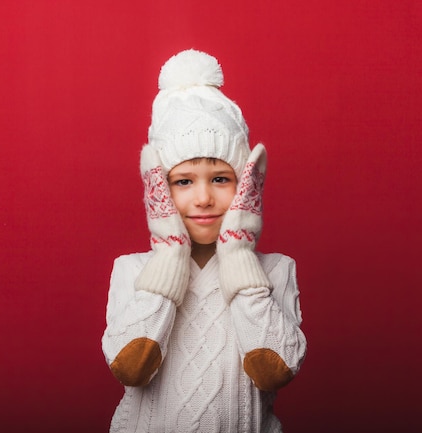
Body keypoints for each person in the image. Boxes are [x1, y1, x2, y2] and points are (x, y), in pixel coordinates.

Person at [102, 49, 307, 433]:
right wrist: (168, 258)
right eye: (182, 182)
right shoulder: (131, 270)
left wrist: (239, 258)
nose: (202, 199)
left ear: (248, 186)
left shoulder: (277, 271)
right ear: (157, 189)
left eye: (220, 179)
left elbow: (274, 370)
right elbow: (131, 368)